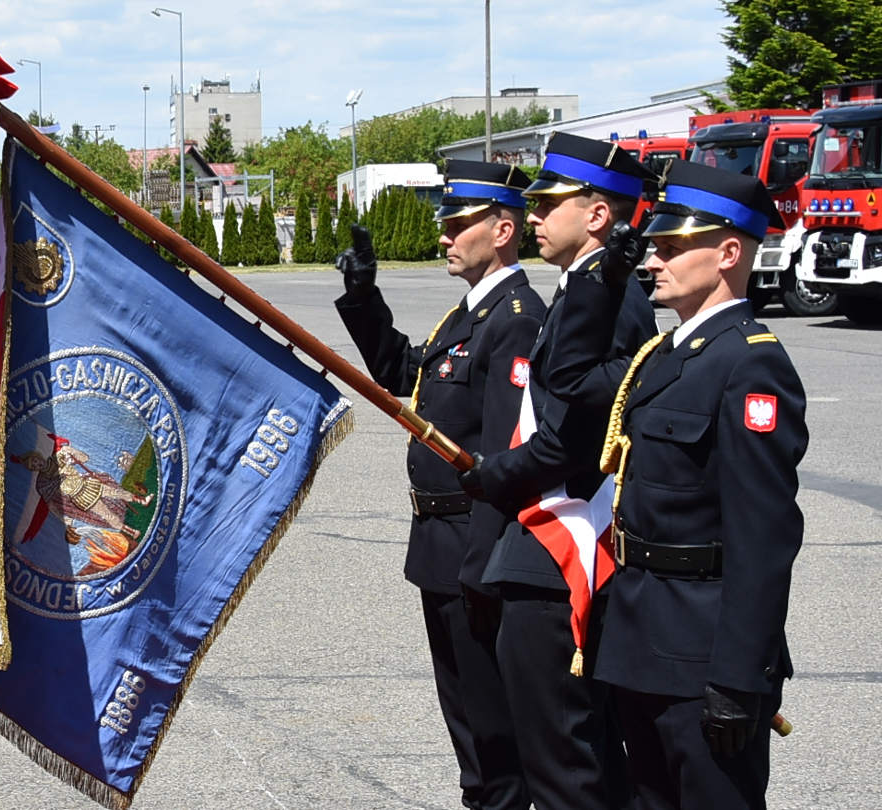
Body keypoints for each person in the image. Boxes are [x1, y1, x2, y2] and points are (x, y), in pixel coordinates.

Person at [555, 160, 804, 809]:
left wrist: (738, 677)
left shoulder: (752, 365)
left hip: (702, 657)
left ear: (727, 253)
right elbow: (570, 376)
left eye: (670, 247)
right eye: (653, 247)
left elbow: (763, 539)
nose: (654, 260)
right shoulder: (663, 355)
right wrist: (604, 280)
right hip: (638, 638)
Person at [457, 132, 659, 810]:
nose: (535, 216)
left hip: (560, 544)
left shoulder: (609, 296)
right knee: (578, 758)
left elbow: (576, 438)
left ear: (598, 214)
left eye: (549, 203)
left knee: (563, 767)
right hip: (543, 541)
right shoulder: (584, 289)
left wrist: (493, 474)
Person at [335, 160, 544, 810]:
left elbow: (510, 454)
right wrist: (364, 294)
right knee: (471, 742)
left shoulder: (515, 318)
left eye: (459, 224)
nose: (445, 235)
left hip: (473, 552)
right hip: (440, 547)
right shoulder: (466, 315)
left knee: (497, 745)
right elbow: (403, 370)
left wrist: (484, 565)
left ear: (503, 229)